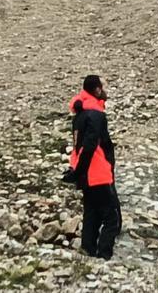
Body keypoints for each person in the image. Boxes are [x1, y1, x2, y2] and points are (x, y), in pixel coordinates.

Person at [62, 75, 120, 259]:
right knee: (112, 219)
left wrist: (76, 172)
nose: (104, 90)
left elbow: (78, 146)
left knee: (91, 215)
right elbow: (89, 146)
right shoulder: (95, 114)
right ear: (96, 90)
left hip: (86, 175)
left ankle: (88, 252)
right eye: (102, 87)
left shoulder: (80, 114)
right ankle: (104, 256)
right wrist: (79, 171)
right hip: (98, 174)